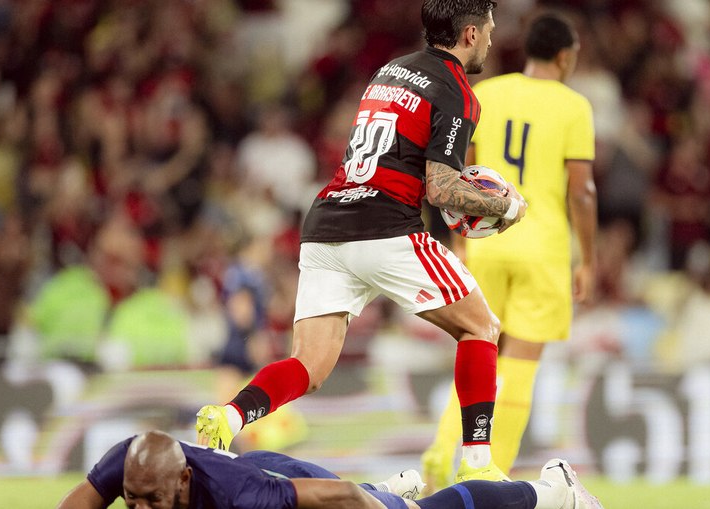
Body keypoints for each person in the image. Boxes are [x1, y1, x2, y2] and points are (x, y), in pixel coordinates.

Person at [195, 0, 528, 483]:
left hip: (327, 223)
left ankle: (227, 417)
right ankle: (478, 465)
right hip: (385, 226)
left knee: (308, 365)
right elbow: (441, 188)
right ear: (471, 35)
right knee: (481, 328)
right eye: (491, 29)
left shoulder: (390, 71)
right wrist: (507, 206)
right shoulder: (458, 91)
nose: (494, 39)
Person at [421, 12, 597, 490]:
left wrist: (461, 236)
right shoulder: (574, 106)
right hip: (543, 248)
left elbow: (462, 168)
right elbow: (581, 192)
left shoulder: (490, 93)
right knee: (520, 366)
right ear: (564, 56)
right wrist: (589, 260)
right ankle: (488, 480)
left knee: (477, 350)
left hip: (488, 243)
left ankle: (440, 452)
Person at [56, 430, 603, 509]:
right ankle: (389, 487)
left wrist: (377, 505)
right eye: (133, 502)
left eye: (152, 501)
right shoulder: (128, 462)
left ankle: (553, 488)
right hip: (260, 470)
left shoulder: (245, 498)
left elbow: (335, 494)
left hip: (298, 488)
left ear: (181, 481)